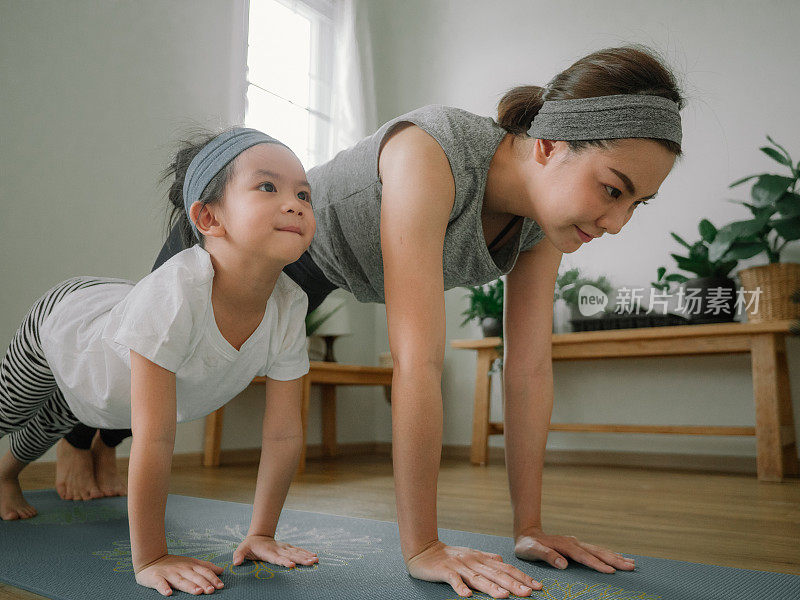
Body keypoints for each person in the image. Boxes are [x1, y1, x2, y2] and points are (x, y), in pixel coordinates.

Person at [58, 44, 685, 598]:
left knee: (186, 378)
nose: (618, 221)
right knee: (131, 364)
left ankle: (101, 448)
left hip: (318, 272)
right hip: (251, 242)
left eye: (637, 203)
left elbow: (526, 369)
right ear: (549, 146)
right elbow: (416, 361)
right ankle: (79, 439)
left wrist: (529, 529)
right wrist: (422, 547)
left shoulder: (543, 227)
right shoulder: (432, 153)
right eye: (612, 189)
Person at [0, 128, 321, 595]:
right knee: (8, 410)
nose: (295, 203)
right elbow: (155, 434)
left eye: (304, 194)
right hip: (66, 325)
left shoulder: (289, 304)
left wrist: (262, 534)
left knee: (51, 421)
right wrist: (151, 557)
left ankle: (5, 475)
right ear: (209, 218)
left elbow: (285, 432)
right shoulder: (176, 293)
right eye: (268, 186)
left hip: (99, 392)